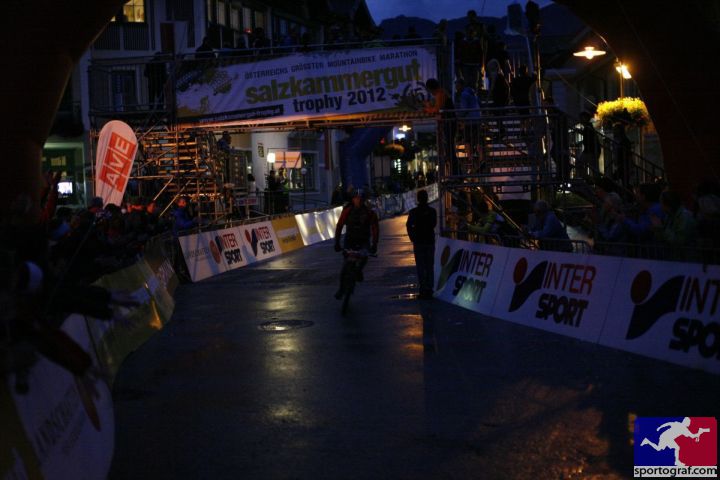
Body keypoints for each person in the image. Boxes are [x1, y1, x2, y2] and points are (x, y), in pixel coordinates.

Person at [333, 189, 379, 299]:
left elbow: (375, 229)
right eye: (356, 198)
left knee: (364, 257)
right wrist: (337, 242)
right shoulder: (347, 210)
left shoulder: (370, 212)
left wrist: (374, 244)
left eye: (360, 199)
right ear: (353, 199)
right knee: (345, 265)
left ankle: (359, 271)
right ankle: (341, 289)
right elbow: (339, 226)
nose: (358, 200)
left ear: (364, 200)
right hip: (350, 239)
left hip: (363, 240)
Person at [406, 189, 436, 299]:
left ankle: (423, 288)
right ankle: (429, 288)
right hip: (429, 241)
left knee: (420, 266)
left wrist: (413, 237)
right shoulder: (432, 211)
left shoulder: (413, 212)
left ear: (418, 199)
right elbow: (434, 224)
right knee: (429, 266)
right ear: (427, 198)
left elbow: (409, 225)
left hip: (419, 242)